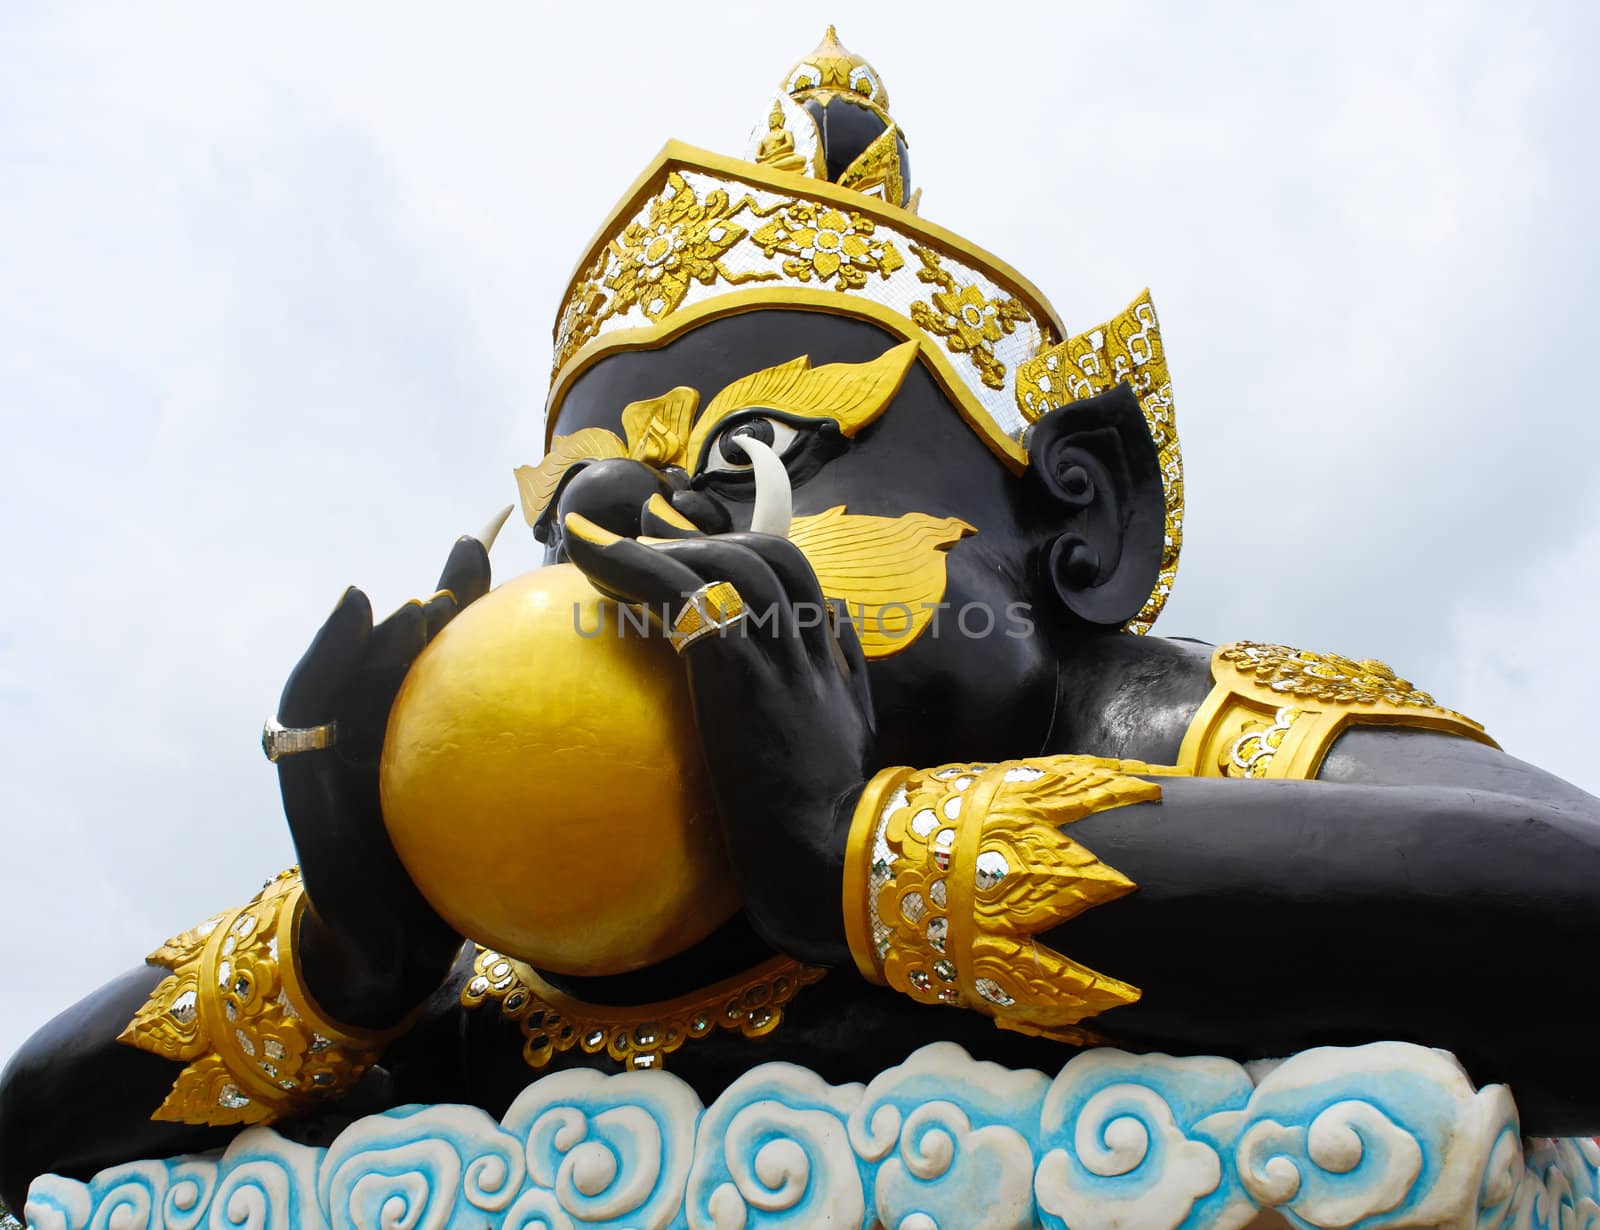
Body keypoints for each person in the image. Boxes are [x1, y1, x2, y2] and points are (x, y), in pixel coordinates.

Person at [4, 28, 1598, 1212]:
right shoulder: (539, 959)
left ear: (1078, 521)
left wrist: (869, 860)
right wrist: (342, 961)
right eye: (584, 506)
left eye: (754, 459)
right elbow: (30, 1134)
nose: (639, 541)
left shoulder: (1193, 725)